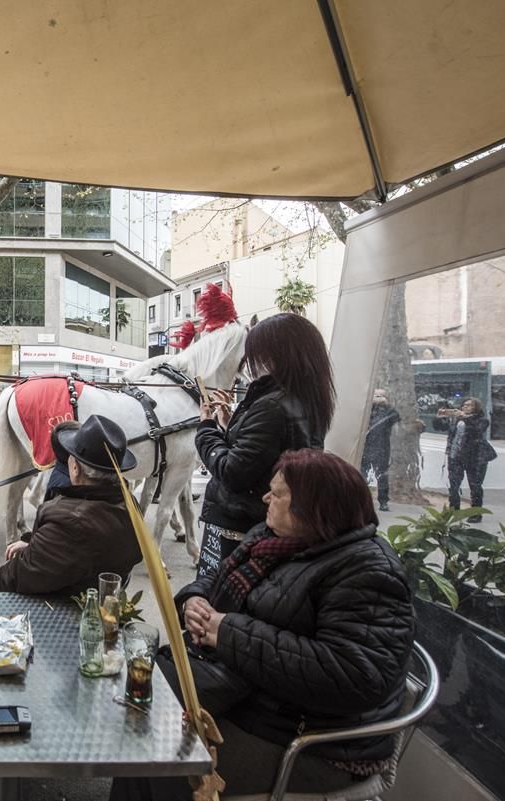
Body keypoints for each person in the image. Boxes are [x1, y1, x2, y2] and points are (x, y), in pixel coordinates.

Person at [112, 450, 415, 800]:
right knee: (138, 729)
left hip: (310, 743)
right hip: (251, 700)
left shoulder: (368, 572)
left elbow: (355, 675)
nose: (266, 498)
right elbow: (215, 578)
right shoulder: (270, 537)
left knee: (158, 753)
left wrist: (226, 632)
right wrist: (194, 600)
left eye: (279, 494)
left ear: (315, 506)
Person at [193, 313, 334, 593]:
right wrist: (230, 425)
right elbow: (265, 453)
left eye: (257, 355)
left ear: (277, 355)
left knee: (213, 599)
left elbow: (233, 473)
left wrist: (207, 428)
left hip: (238, 528)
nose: (253, 365)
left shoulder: (271, 406)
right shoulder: (306, 400)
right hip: (267, 522)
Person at [0, 415, 143, 596]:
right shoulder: (130, 505)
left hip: (65, 610)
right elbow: (81, 549)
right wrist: (37, 544)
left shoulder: (70, 522)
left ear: (75, 468)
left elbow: (16, 577)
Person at [441, 397, 493, 523]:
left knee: (475, 486)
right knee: (454, 485)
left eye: (469, 405)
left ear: (476, 408)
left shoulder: (482, 420)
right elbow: (442, 428)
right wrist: (440, 418)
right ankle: (454, 510)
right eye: (464, 405)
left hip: (475, 457)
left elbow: (477, 431)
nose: (465, 407)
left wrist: (466, 418)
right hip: (455, 456)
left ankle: (476, 513)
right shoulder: (456, 419)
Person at [360, 388, 400, 512]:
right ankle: (362, 500)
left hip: (382, 448)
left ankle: (383, 501)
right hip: (366, 448)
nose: (378, 398)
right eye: (375, 395)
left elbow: (396, 418)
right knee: (362, 475)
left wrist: (386, 405)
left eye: (380, 396)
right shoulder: (367, 409)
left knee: (382, 476)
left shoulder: (389, 411)